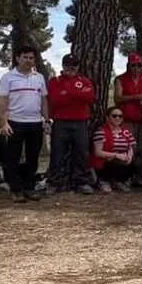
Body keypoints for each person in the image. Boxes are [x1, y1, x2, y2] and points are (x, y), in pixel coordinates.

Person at [0, 45, 49, 202]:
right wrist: (3, 122)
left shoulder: (39, 77)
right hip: (15, 122)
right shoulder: (8, 77)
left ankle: (29, 187)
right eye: (25, 57)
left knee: (33, 157)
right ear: (17, 58)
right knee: (13, 157)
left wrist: (46, 120)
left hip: (35, 123)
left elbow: (43, 100)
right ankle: (16, 190)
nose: (28, 60)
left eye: (31, 58)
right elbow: (2, 101)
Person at [46, 54, 94, 194]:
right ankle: (55, 182)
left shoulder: (85, 80)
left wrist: (67, 93)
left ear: (78, 66)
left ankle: (81, 182)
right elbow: (55, 100)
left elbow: (90, 97)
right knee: (57, 153)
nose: (71, 67)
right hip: (60, 122)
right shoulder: (55, 81)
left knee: (81, 153)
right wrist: (77, 94)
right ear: (63, 65)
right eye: (68, 64)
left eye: (74, 64)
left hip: (80, 122)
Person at [113, 52, 142, 183]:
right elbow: (117, 98)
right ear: (128, 66)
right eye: (133, 65)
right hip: (128, 119)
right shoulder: (120, 79)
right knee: (129, 148)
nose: (136, 68)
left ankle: (140, 176)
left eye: (139, 65)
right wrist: (136, 97)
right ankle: (126, 176)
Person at [91, 106, 135, 193]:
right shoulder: (101, 131)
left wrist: (130, 155)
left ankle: (118, 181)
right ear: (107, 117)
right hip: (106, 161)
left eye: (120, 116)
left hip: (122, 160)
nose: (117, 118)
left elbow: (131, 145)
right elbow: (97, 152)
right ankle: (104, 181)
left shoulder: (126, 132)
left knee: (133, 162)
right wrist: (116, 155)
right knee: (114, 161)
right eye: (114, 116)